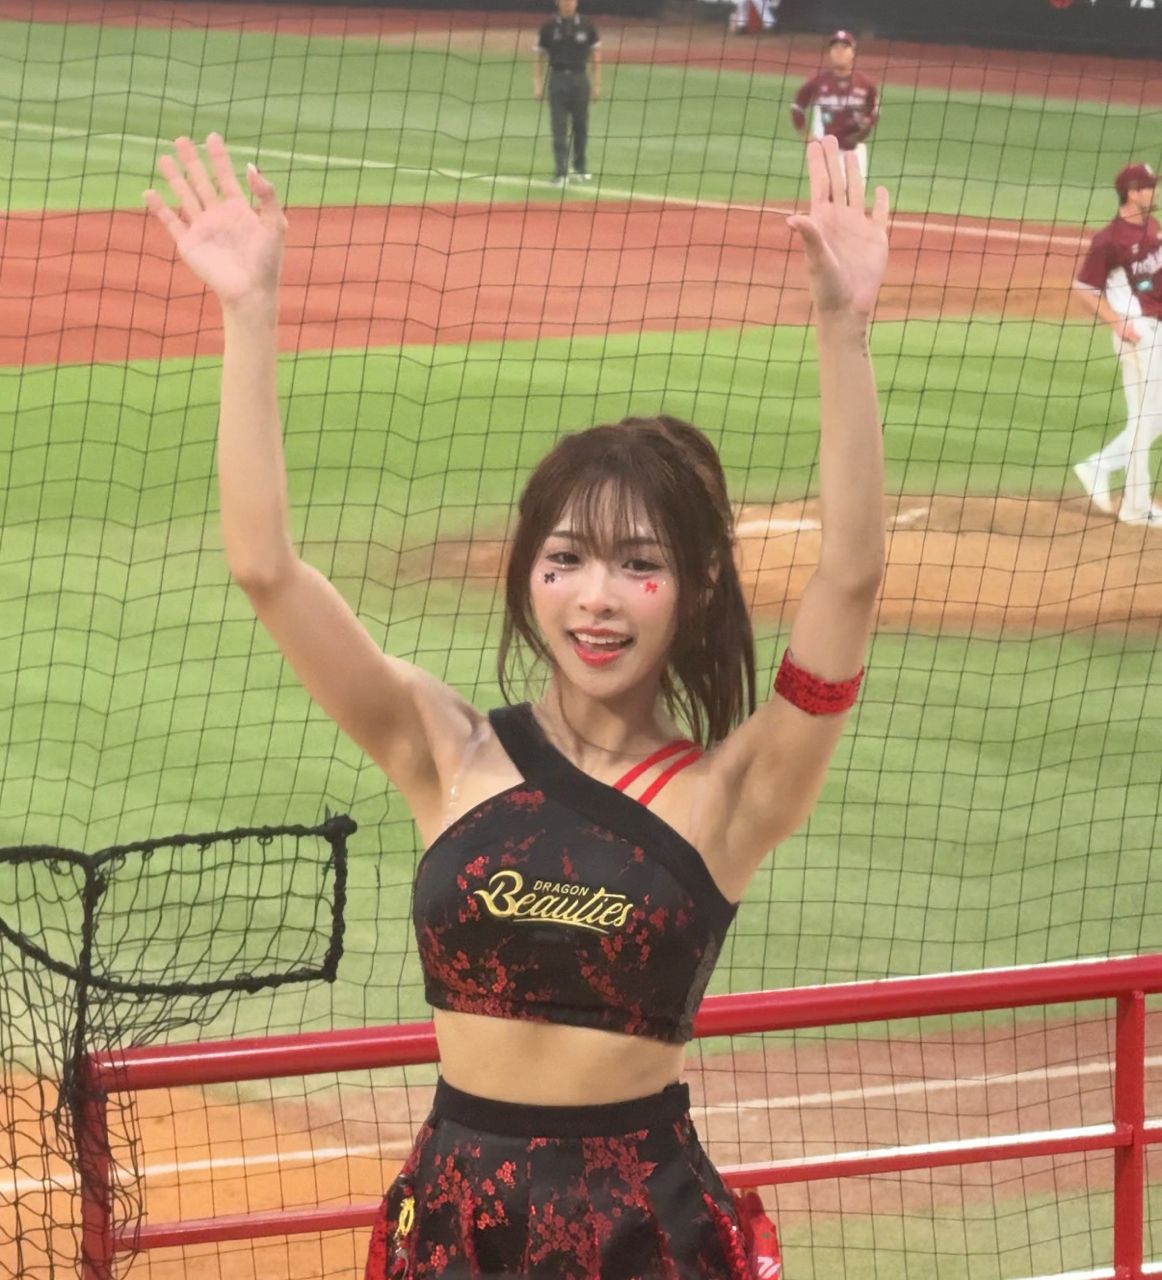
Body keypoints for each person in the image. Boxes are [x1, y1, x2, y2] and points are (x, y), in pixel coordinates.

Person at [145, 132, 889, 1279]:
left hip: (641, 1234)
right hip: (454, 1221)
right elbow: (266, 568)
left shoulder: (734, 794)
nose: (596, 598)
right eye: (565, 558)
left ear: (695, 589)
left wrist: (843, 330)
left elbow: (849, 578)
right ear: (527, 576)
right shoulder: (442, 749)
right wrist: (249, 311)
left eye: (637, 564)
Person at [1072, 162, 1162, 526]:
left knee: (1152, 416)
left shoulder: (1153, 227)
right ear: (1132, 192)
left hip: (1156, 327)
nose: (1154, 191)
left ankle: (1101, 467)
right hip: (1138, 333)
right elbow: (1084, 289)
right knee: (1145, 417)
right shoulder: (1109, 240)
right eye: (1148, 186)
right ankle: (1134, 506)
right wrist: (1117, 322)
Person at [790, 31, 879, 180]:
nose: (839, 52)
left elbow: (874, 113)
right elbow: (797, 108)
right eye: (835, 48)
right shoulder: (818, 81)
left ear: (853, 52)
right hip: (826, 149)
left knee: (854, 192)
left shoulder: (866, 84)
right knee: (826, 192)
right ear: (830, 52)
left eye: (844, 48)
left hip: (855, 150)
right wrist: (807, 137)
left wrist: (864, 129)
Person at [533, 0, 601, 186]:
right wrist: (538, 84)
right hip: (557, 79)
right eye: (564, 0)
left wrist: (596, 84)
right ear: (557, 2)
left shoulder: (587, 25)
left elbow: (596, 55)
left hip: (580, 79)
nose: (568, 4)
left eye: (571, 0)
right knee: (559, 127)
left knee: (581, 126)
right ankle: (560, 172)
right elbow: (538, 56)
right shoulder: (548, 26)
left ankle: (580, 167)